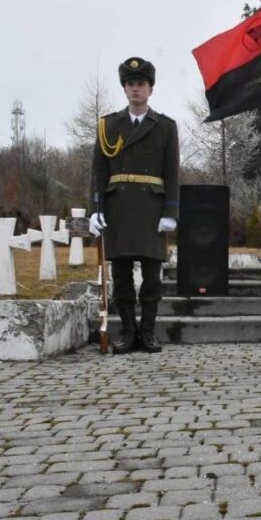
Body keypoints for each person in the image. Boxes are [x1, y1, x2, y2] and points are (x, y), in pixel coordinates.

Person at [88, 57, 179, 354]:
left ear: (150, 89)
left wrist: (170, 212)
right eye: (130, 84)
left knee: (152, 277)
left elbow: (172, 173)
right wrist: (96, 209)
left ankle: (149, 332)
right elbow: (100, 173)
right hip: (119, 210)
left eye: (141, 84)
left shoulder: (165, 127)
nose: (135, 89)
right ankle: (128, 332)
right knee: (123, 277)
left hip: (152, 210)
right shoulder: (108, 126)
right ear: (124, 89)